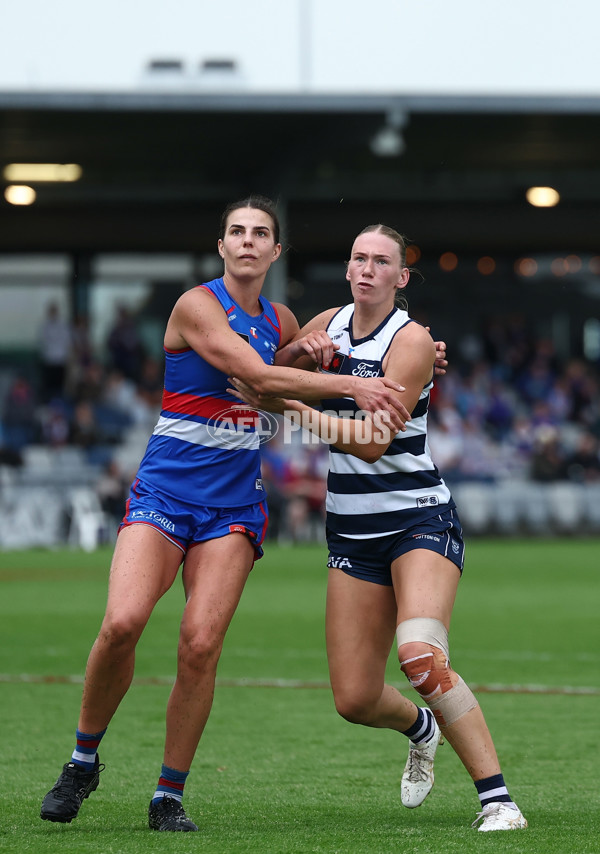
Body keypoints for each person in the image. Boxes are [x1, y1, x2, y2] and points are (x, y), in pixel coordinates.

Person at [40, 196, 415, 833]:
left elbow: (342, 351)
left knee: (200, 645)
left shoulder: (283, 317)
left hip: (234, 504)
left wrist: (420, 357)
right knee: (123, 622)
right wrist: (349, 386)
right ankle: (82, 759)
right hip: (163, 491)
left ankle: (168, 797)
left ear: (275, 251)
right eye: (236, 231)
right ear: (222, 246)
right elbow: (253, 372)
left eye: (260, 233)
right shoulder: (197, 305)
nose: (247, 240)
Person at [230, 223, 527, 832]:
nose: (366, 269)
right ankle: (420, 730)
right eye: (358, 259)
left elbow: (372, 443)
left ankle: (498, 801)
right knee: (355, 698)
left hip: (418, 518)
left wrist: (296, 405)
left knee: (419, 654)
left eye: (380, 261)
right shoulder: (327, 325)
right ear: (347, 270)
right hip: (352, 533)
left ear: (401, 277)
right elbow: (266, 378)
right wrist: (294, 361)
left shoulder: (412, 342)